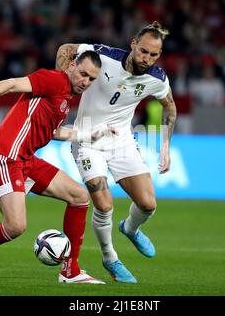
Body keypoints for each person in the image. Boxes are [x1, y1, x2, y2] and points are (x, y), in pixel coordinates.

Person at [0, 50, 114, 284]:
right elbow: (12, 83)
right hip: (5, 156)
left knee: (79, 196)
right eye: (83, 74)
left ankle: (70, 271)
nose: (85, 82)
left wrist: (91, 135)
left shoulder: (66, 96)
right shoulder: (54, 80)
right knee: (16, 226)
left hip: (25, 160)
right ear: (71, 66)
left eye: (91, 79)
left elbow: (54, 132)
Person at [56, 21, 177, 283]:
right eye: (143, 51)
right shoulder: (104, 56)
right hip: (87, 138)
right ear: (133, 44)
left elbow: (170, 106)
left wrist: (165, 145)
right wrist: (61, 90)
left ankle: (130, 229)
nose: (147, 58)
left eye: (153, 55)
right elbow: (66, 48)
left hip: (121, 140)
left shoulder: (156, 78)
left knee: (147, 204)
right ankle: (110, 258)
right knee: (104, 203)